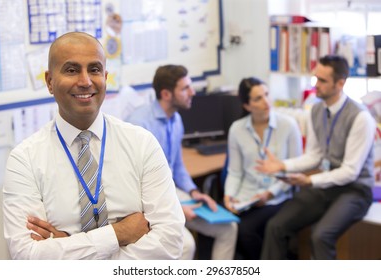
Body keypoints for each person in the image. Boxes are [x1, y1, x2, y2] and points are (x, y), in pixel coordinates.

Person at [3, 32, 185, 260]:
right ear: (50, 81)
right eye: (71, 70)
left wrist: (67, 247)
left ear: (105, 77)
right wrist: (120, 234)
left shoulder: (142, 143)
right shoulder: (24, 159)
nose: (85, 81)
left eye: (94, 69)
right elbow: (26, 256)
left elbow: (171, 243)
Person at [255, 55, 375, 260]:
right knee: (276, 225)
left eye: (322, 80)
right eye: (315, 78)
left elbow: (350, 172)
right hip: (325, 185)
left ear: (340, 83)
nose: (315, 85)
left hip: (355, 190)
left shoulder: (361, 117)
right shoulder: (317, 110)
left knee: (321, 235)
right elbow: (315, 155)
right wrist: (282, 165)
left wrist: (310, 180)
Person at [126, 64, 237, 260]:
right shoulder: (139, 124)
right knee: (185, 245)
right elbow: (135, 183)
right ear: (167, 94)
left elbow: (177, 167)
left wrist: (195, 192)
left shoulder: (175, 119)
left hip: (171, 192)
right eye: (185, 88)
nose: (192, 92)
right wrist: (175, 206)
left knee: (228, 228)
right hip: (146, 199)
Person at [223, 77, 302, 259]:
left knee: (245, 230)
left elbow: (294, 170)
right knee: (225, 225)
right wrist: (229, 196)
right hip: (246, 196)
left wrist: (269, 194)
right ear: (247, 105)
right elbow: (235, 171)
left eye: (266, 95)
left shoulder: (288, 125)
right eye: (258, 98)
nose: (266, 102)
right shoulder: (237, 129)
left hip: (277, 196)